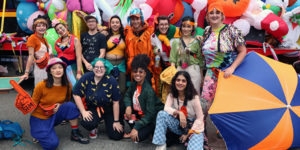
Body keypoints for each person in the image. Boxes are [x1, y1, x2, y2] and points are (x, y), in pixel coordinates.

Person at [200, 3, 247, 149]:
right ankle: (201, 137)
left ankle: (231, 138)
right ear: (207, 16)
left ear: (222, 16)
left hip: (228, 74)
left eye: (217, 13)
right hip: (211, 72)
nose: (214, 15)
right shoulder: (207, 31)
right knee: (203, 104)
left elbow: (243, 51)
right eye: (211, 13)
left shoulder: (231, 30)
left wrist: (232, 68)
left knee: (227, 106)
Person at [30, 58, 89, 150]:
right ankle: (40, 132)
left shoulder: (68, 85)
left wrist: (60, 105)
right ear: (50, 71)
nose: (57, 70)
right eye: (54, 68)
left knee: (71, 106)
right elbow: (32, 106)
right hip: (40, 116)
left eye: (60, 67)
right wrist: (25, 104)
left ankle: (75, 133)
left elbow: (66, 101)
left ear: (63, 69)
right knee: (51, 145)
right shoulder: (41, 85)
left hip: (54, 114)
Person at [73, 58, 124, 140]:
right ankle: (94, 126)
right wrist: (83, 111)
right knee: (87, 123)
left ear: (105, 68)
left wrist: (116, 121)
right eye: (96, 67)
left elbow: (116, 102)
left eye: (102, 67)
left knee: (117, 135)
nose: (99, 69)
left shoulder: (111, 80)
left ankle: (111, 122)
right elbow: (76, 94)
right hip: (94, 107)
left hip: (109, 108)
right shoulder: (86, 77)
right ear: (93, 68)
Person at [152, 71, 204, 150]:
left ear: (188, 83)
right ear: (174, 81)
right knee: (161, 114)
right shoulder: (172, 94)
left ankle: (190, 139)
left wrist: (188, 133)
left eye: (183, 81)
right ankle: (161, 145)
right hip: (179, 124)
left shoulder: (194, 97)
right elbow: (166, 108)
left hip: (193, 127)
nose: (180, 83)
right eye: (178, 80)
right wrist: (179, 112)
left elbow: (200, 118)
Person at [123, 54, 164, 142]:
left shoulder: (148, 90)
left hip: (151, 119)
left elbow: (150, 114)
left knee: (138, 137)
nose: (137, 74)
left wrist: (136, 128)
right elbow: (127, 95)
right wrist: (128, 106)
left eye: (141, 72)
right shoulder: (134, 84)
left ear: (145, 73)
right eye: (135, 71)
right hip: (140, 114)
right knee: (122, 107)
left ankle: (151, 130)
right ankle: (135, 128)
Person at [124, 8, 158, 93]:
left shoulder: (149, 31)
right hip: (133, 68)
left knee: (148, 91)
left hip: (147, 67)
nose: (135, 21)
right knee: (136, 93)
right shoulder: (127, 32)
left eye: (137, 19)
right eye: (133, 19)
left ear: (141, 19)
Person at [169, 16, 204, 95]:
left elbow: (200, 60)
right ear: (181, 27)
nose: (186, 29)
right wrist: (172, 74)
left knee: (194, 94)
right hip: (179, 69)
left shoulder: (196, 42)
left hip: (194, 69)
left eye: (189, 26)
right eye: (184, 26)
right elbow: (173, 60)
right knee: (179, 94)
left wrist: (201, 76)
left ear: (192, 28)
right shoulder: (175, 42)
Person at [21, 15, 53, 86]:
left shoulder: (44, 39)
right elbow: (31, 56)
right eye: (39, 26)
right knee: (41, 89)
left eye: (43, 25)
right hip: (40, 69)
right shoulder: (32, 38)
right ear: (34, 28)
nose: (41, 27)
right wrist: (26, 73)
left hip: (48, 68)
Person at [52, 19, 83, 86]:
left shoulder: (75, 39)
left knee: (74, 86)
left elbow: (79, 57)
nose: (60, 30)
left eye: (61, 28)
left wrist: (79, 72)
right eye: (57, 30)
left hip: (71, 68)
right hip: (60, 69)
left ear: (66, 27)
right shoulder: (57, 42)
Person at [105, 15, 126, 96]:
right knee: (108, 87)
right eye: (113, 22)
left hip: (121, 64)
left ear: (120, 24)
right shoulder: (105, 35)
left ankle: (121, 106)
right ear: (110, 24)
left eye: (117, 22)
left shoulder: (125, 35)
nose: (115, 24)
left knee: (122, 88)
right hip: (108, 63)